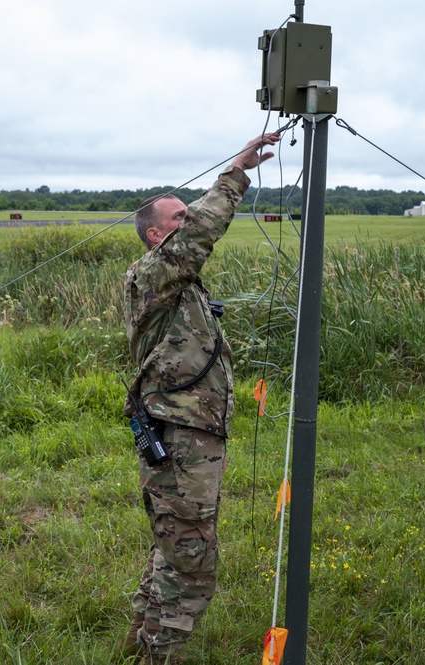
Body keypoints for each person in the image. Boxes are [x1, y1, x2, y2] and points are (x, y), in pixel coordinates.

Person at [119, 132, 280, 664]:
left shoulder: (180, 284)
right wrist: (236, 172)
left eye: (189, 214)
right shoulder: (156, 272)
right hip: (180, 434)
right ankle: (156, 656)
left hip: (190, 434)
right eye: (178, 218)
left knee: (175, 546)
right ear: (154, 235)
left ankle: (137, 647)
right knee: (193, 565)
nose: (188, 223)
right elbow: (201, 236)